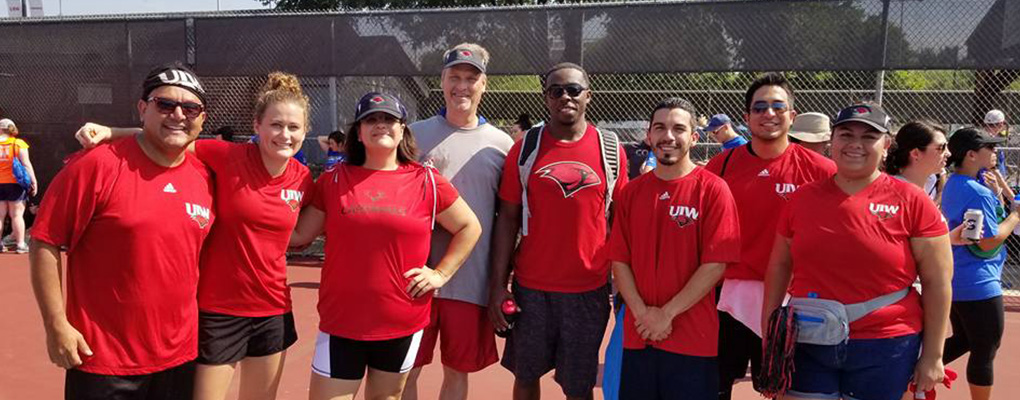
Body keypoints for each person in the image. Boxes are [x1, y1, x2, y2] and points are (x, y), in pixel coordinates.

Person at [73, 72, 316, 400]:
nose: (284, 134)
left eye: (293, 128)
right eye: (275, 125)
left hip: (273, 311)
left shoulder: (303, 179)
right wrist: (111, 132)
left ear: (305, 132)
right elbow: (171, 137)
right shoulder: (226, 156)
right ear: (257, 125)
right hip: (219, 311)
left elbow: (301, 231)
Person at [30, 62, 214, 400]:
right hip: (104, 360)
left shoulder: (204, 175)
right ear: (143, 109)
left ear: (202, 118)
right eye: (165, 104)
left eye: (190, 108)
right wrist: (56, 324)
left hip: (180, 358)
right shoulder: (96, 166)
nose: (178, 114)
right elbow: (45, 239)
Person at [289, 92, 482, 400]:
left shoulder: (427, 181)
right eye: (371, 119)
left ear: (403, 129)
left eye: (389, 119)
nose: (381, 125)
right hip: (342, 323)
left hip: (402, 321)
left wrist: (441, 274)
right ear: (359, 132)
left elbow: (469, 226)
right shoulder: (333, 180)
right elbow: (298, 235)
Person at [762, 103, 952, 400]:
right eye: (846, 134)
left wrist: (933, 355)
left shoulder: (912, 200)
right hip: (809, 339)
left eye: (869, 137)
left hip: (885, 342)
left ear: (887, 145)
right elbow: (778, 266)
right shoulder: (802, 199)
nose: (855, 145)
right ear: (831, 141)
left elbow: (937, 282)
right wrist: (770, 329)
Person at [489, 62, 628, 400]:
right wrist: (496, 287)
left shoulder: (610, 150)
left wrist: (626, 289)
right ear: (546, 97)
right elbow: (507, 218)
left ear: (588, 96)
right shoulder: (524, 150)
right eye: (556, 90)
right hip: (531, 289)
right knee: (525, 376)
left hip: (589, 290)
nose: (565, 96)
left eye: (574, 90)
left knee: (578, 387)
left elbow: (623, 223)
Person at [704, 72, 835, 400]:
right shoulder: (720, 166)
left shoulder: (821, 170)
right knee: (714, 386)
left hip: (791, 300)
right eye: (759, 107)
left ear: (792, 115)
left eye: (778, 106)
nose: (769, 114)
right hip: (727, 298)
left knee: (782, 389)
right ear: (747, 118)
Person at [401, 43, 514, 400]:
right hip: (413, 277)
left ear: (484, 85)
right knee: (405, 372)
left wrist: (500, 280)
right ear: (442, 80)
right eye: (455, 77)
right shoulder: (412, 135)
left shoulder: (501, 144)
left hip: (470, 282)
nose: (461, 86)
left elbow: (508, 218)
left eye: (471, 78)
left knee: (456, 372)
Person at [608, 97, 740, 400]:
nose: (668, 136)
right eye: (660, 128)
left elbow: (716, 264)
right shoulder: (631, 193)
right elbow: (619, 260)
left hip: (693, 339)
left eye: (678, 128)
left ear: (693, 137)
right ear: (648, 136)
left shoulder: (713, 189)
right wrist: (642, 315)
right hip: (639, 336)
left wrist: (666, 315)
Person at [941, 127, 1017, 400]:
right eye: (990, 147)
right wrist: (1016, 215)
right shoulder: (976, 191)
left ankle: (910, 373)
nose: (995, 151)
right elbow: (987, 241)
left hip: (958, 280)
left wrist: (996, 196)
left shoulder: (955, 183)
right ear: (971, 155)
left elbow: (978, 228)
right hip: (979, 283)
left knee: (964, 340)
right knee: (985, 348)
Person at [885, 120, 950, 204]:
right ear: (915, 153)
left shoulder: (923, 186)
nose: (948, 153)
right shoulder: (896, 195)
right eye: (941, 148)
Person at [0, 118, 37, 253]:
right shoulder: (18, 144)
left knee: (0, 216)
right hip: (15, 184)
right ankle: (21, 244)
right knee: (16, 215)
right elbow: (26, 164)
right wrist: (33, 181)